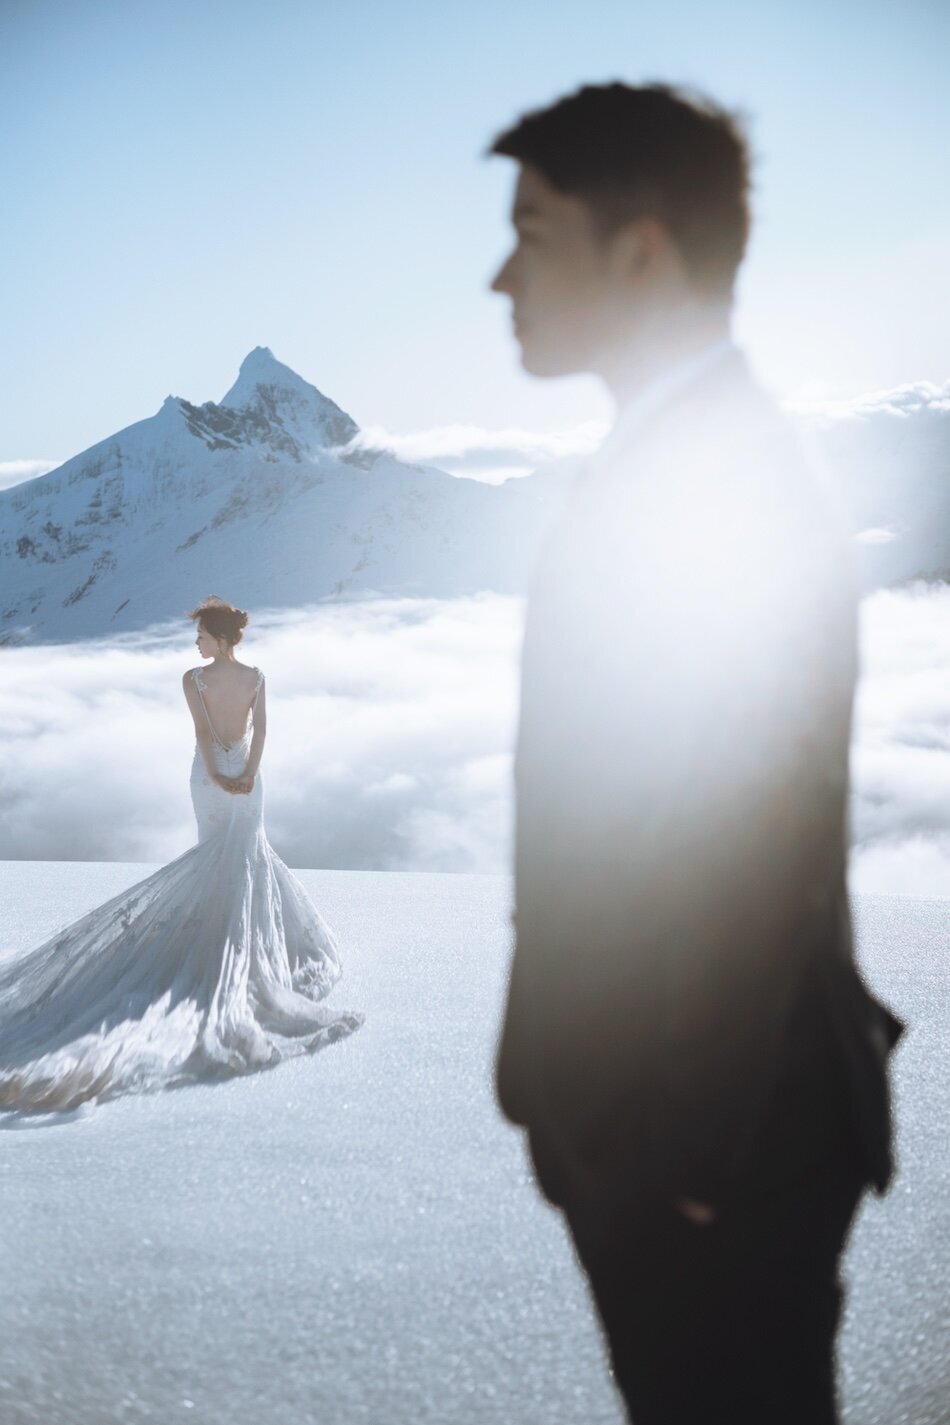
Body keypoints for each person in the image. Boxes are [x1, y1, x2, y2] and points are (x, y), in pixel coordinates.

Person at [489, 83, 903, 1424]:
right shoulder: (659, 457)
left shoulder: (729, 486)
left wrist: (681, 1149)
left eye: (532, 232)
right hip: (657, 1128)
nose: (500, 276)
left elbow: (752, 832)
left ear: (642, 250)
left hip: (720, 1145)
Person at [0, 596, 361, 1115]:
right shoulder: (257, 676)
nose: (195, 643)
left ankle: (214, 945)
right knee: (241, 858)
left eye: (200, 635)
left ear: (218, 637)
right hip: (247, 781)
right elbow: (262, 734)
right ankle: (231, 947)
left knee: (217, 857)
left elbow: (200, 734)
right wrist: (248, 777)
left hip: (209, 779)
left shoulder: (193, 680)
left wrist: (219, 778)